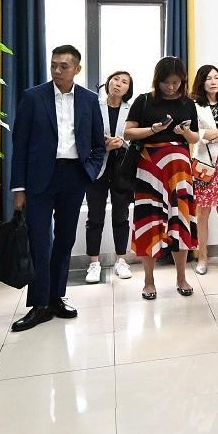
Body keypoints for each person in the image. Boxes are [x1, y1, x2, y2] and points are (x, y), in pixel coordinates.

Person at [8, 45, 109, 331]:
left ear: (77, 68)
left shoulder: (90, 100)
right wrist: (19, 188)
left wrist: (88, 173)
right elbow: (20, 145)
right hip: (40, 178)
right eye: (53, 65)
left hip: (74, 176)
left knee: (65, 239)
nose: (57, 70)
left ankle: (56, 296)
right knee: (41, 240)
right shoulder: (33, 97)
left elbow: (99, 145)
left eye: (64, 66)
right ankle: (39, 304)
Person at [127, 56, 200, 302]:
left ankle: (181, 276)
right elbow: (128, 132)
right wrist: (154, 130)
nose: (171, 87)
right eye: (166, 83)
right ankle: (148, 280)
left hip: (180, 173)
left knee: (180, 223)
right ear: (157, 81)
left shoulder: (187, 103)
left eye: (176, 83)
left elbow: (194, 139)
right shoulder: (144, 100)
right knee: (149, 221)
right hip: (149, 172)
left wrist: (185, 131)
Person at [82, 69, 136, 283]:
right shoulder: (95, 106)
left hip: (122, 168)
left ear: (128, 89)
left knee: (121, 217)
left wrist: (122, 143)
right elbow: (85, 135)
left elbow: (135, 139)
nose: (118, 84)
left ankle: (121, 260)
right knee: (94, 216)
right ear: (108, 82)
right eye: (115, 79)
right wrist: (104, 145)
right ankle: (93, 263)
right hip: (97, 167)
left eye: (124, 82)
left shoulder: (131, 110)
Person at [189, 63, 218, 276]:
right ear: (201, 81)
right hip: (204, 163)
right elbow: (197, 135)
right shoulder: (194, 105)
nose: (213, 81)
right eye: (208, 78)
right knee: (202, 213)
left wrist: (210, 134)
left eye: (216, 77)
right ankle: (203, 257)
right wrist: (214, 134)